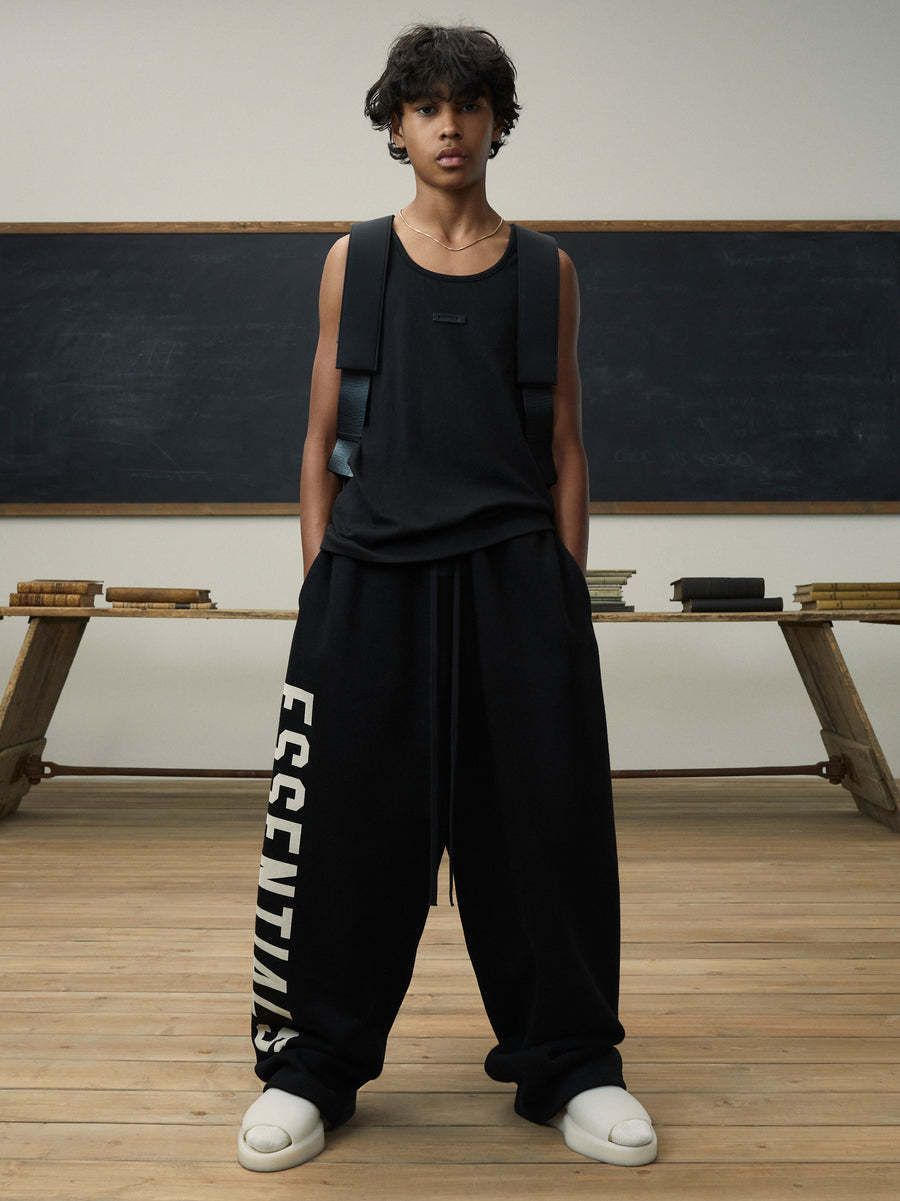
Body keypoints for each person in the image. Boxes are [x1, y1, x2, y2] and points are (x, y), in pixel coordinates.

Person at [238, 21, 657, 1172]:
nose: (449, 126)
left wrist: (561, 595)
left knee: (546, 830)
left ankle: (572, 1061)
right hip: (371, 583)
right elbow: (321, 441)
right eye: (426, 107)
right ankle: (312, 1066)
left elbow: (566, 445)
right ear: (397, 126)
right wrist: (324, 586)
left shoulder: (545, 270)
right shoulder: (356, 260)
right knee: (345, 835)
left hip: (516, 584)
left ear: (496, 122)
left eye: (469, 105)